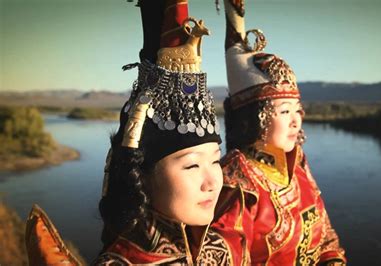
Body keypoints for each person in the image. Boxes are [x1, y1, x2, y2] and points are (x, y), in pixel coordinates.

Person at [25, 0, 236, 265]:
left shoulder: (221, 247)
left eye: (216, 160)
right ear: (142, 176)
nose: (213, 182)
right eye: (192, 165)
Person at [211, 0, 348, 265]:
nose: (296, 121)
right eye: (285, 112)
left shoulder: (296, 163)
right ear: (255, 118)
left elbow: (327, 238)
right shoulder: (235, 185)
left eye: (298, 110)